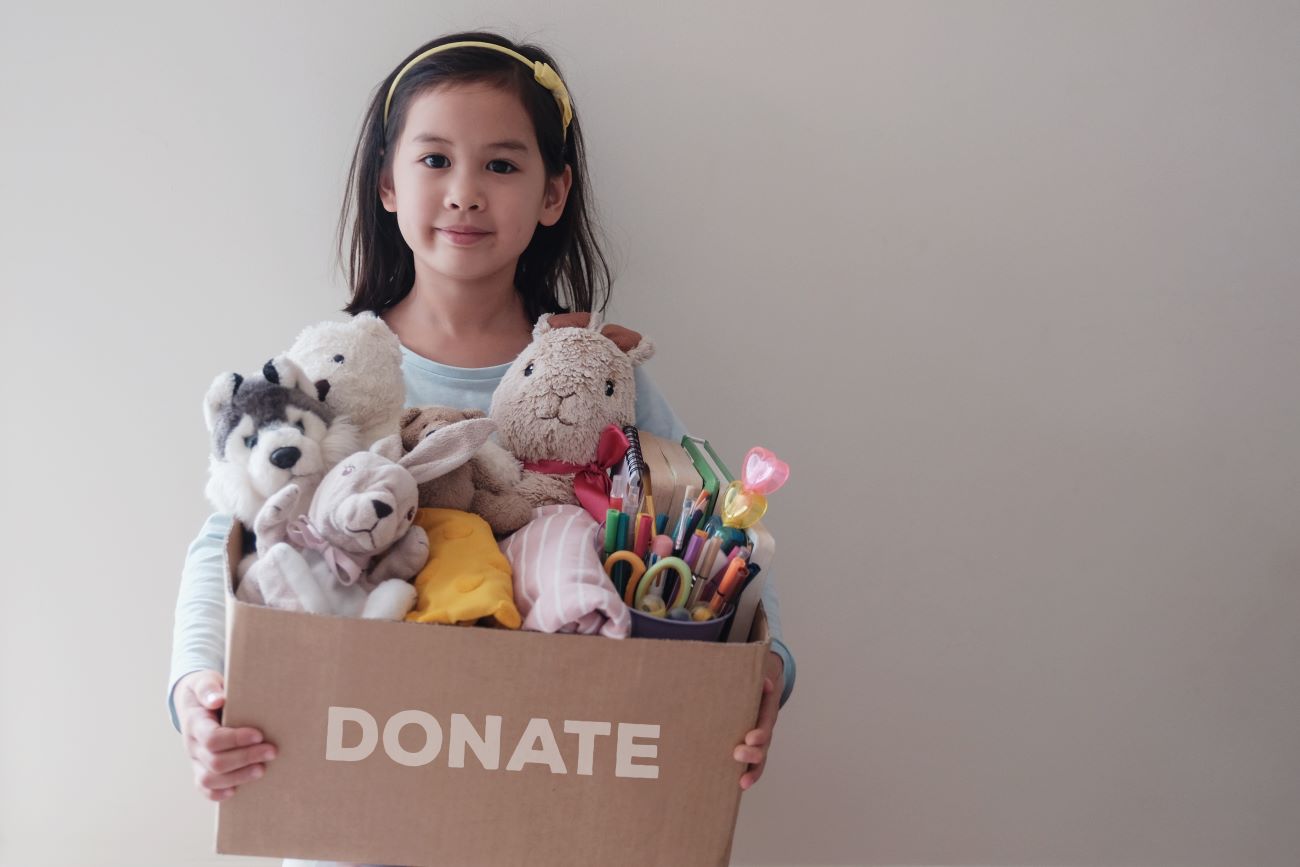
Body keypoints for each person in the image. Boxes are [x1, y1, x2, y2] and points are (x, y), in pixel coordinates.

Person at [169, 31, 796, 834]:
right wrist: (198, 691)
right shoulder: (329, 372)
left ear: (552, 193)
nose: (465, 191)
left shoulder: (599, 378)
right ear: (387, 183)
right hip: (359, 808)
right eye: (435, 160)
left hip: (549, 809)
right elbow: (224, 541)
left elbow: (725, 529)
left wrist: (765, 670)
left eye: (501, 164)